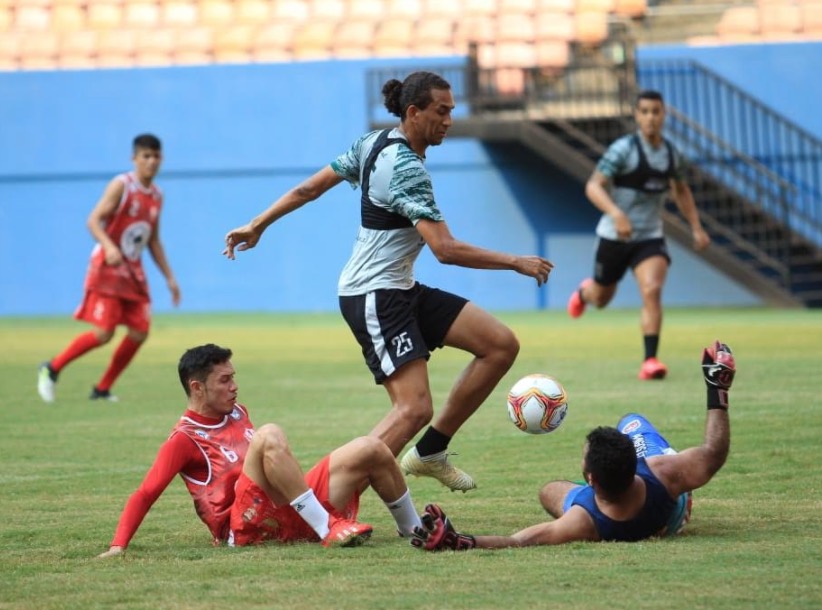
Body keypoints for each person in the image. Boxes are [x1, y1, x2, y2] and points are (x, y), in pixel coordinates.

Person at [222, 71, 553, 493]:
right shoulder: (406, 169)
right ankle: (315, 501)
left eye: (452, 111)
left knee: (499, 344)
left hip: (399, 287)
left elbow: (309, 189)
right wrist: (514, 261)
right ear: (414, 112)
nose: (449, 120)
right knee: (412, 409)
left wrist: (258, 224)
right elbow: (445, 249)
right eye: (442, 111)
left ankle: (430, 451)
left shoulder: (372, 142)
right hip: (375, 295)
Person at [98, 343, 423, 557]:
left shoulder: (239, 412)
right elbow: (145, 492)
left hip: (285, 513)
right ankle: (328, 527)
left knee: (371, 447)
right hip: (243, 531)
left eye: (233, 377)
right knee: (268, 435)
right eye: (224, 380)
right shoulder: (184, 438)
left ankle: (414, 530)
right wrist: (117, 546)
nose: (234, 386)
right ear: (197, 387)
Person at [410, 340, 735, 551]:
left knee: (549, 490)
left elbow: (518, 540)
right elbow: (714, 453)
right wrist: (715, 390)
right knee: (632, 421)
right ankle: (682, 499)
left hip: (614, 508)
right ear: (636, 460)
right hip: (672, 511)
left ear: (591, 481)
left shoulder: (585, 521)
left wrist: (459, 541)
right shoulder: (664, 472)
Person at [567, 90, 711, 380]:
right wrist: (617, 214)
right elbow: (593, 186)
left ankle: (650, 361)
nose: (650, 118)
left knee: (652, 290)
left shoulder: (672, 155)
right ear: (636, 115)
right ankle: (585, 293)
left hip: (649, 237)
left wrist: (696, 227)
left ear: (663, 115)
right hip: (614, 236)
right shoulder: (623, 150)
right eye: (644, 111)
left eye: (656, 112)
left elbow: (681, 190)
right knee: (602, 297)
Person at [37, 134, 181, 403]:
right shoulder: (122, 186)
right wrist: (109, 246)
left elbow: (153, 240)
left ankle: (101, 389)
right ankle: (52, 368)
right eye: (145, 156)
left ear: (161, 158)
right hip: (108, 268)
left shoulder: (157, 195)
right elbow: (93, 220)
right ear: (134, 159)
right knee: (105, 332)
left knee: (139, 332)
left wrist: (170, 278)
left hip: (132, 272)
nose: (151, 162)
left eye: (155, 156)